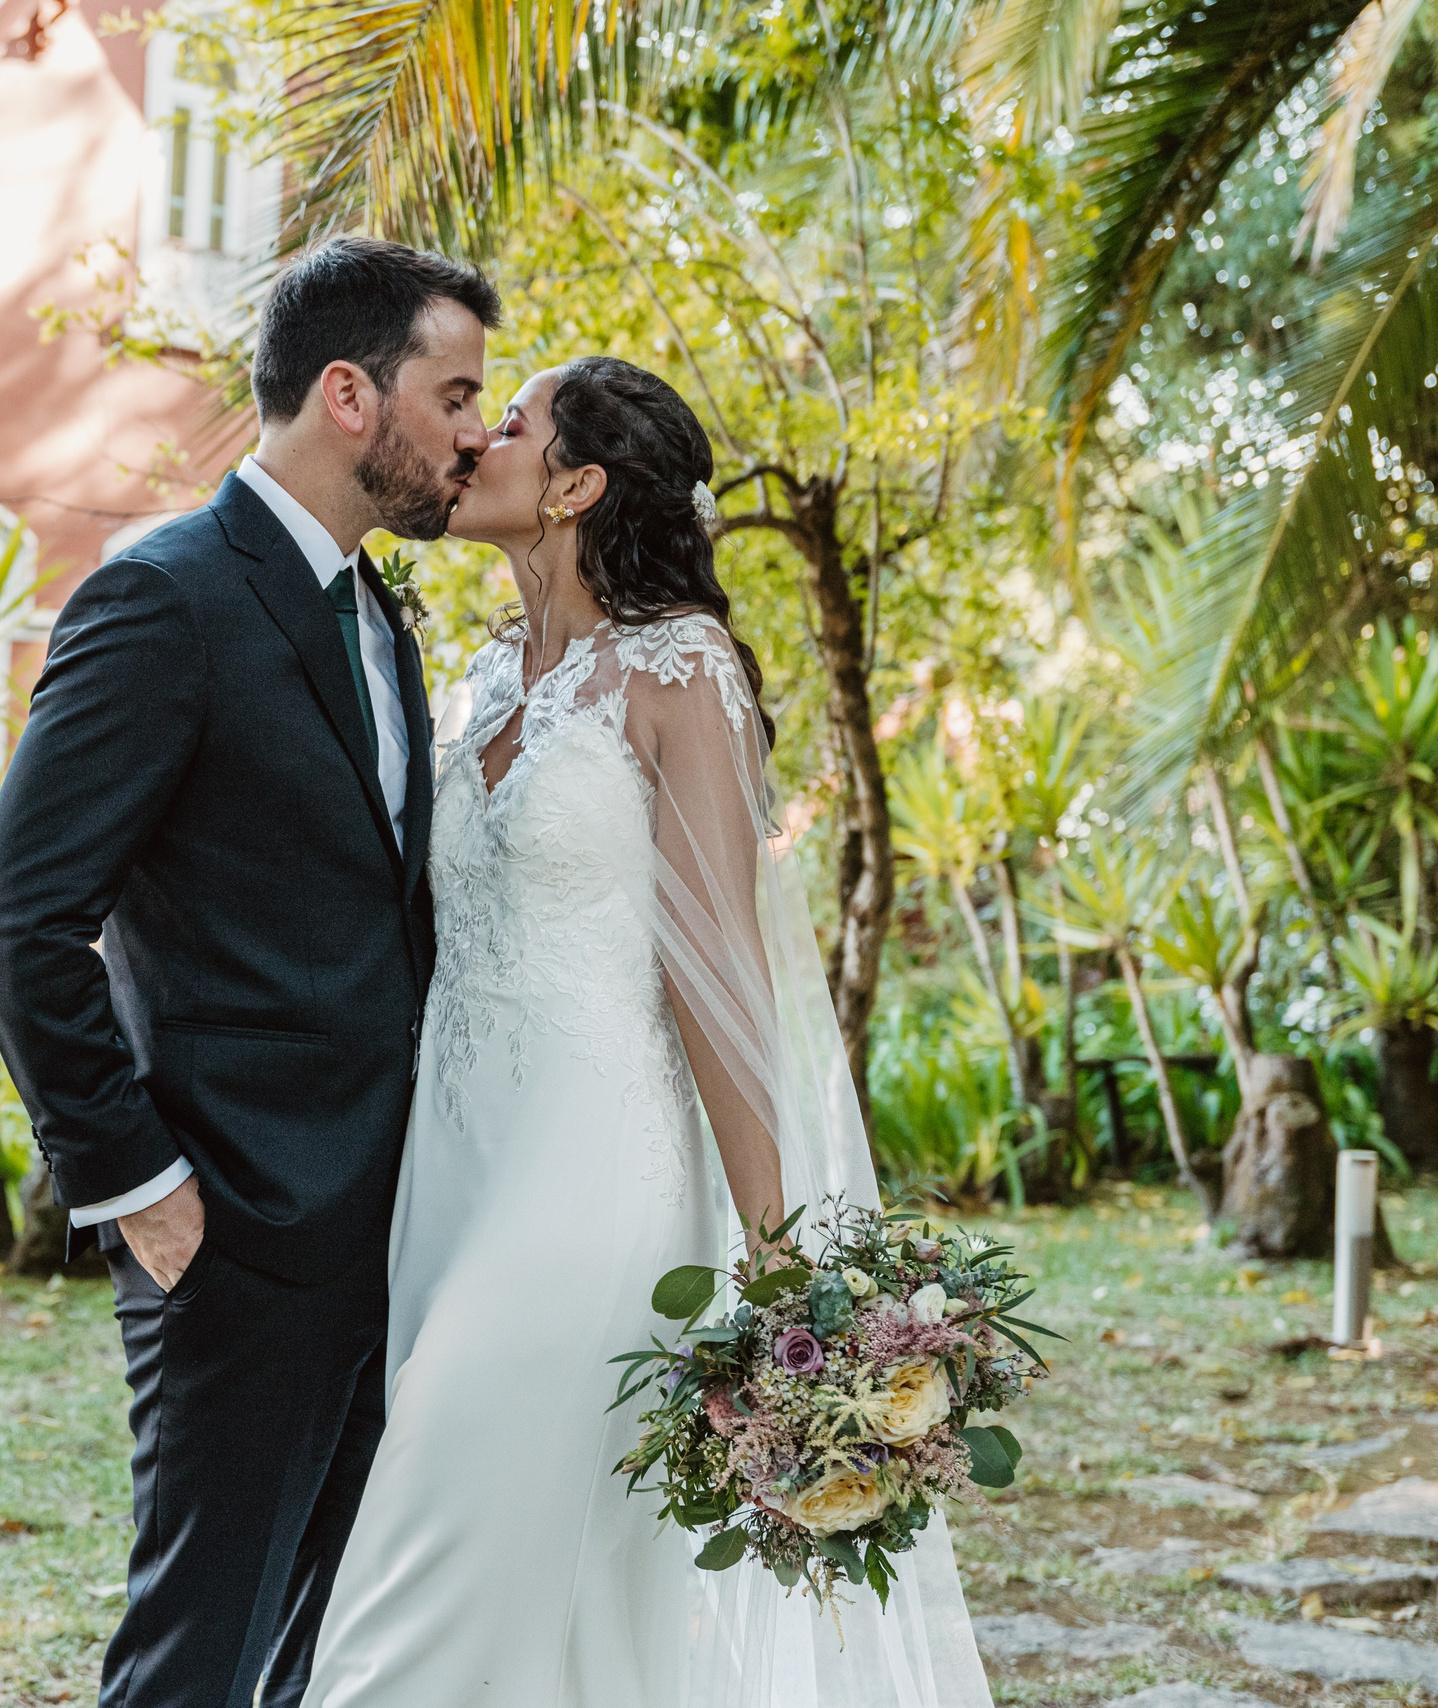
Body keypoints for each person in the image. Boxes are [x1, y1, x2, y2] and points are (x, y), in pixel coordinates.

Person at [298, 357, 993, 1707]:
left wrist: (781, 1251)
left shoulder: (680, 671)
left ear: (576, 485)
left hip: (593, 1181)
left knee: (414, 1581)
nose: (471, 441)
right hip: (450, 1171)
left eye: (507, 427)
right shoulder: (476, 678)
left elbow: (721, 968)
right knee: (537, 1582)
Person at [0, 236, 499, 1708]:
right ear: (348, 394)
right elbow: (19, 913)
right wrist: (138, 1183)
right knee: (195, 1658)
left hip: (383, 1228)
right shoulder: (163, 600)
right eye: (453, 393)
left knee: (316, 1653)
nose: (475, 432)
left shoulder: (378, 618)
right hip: (234, 1233)